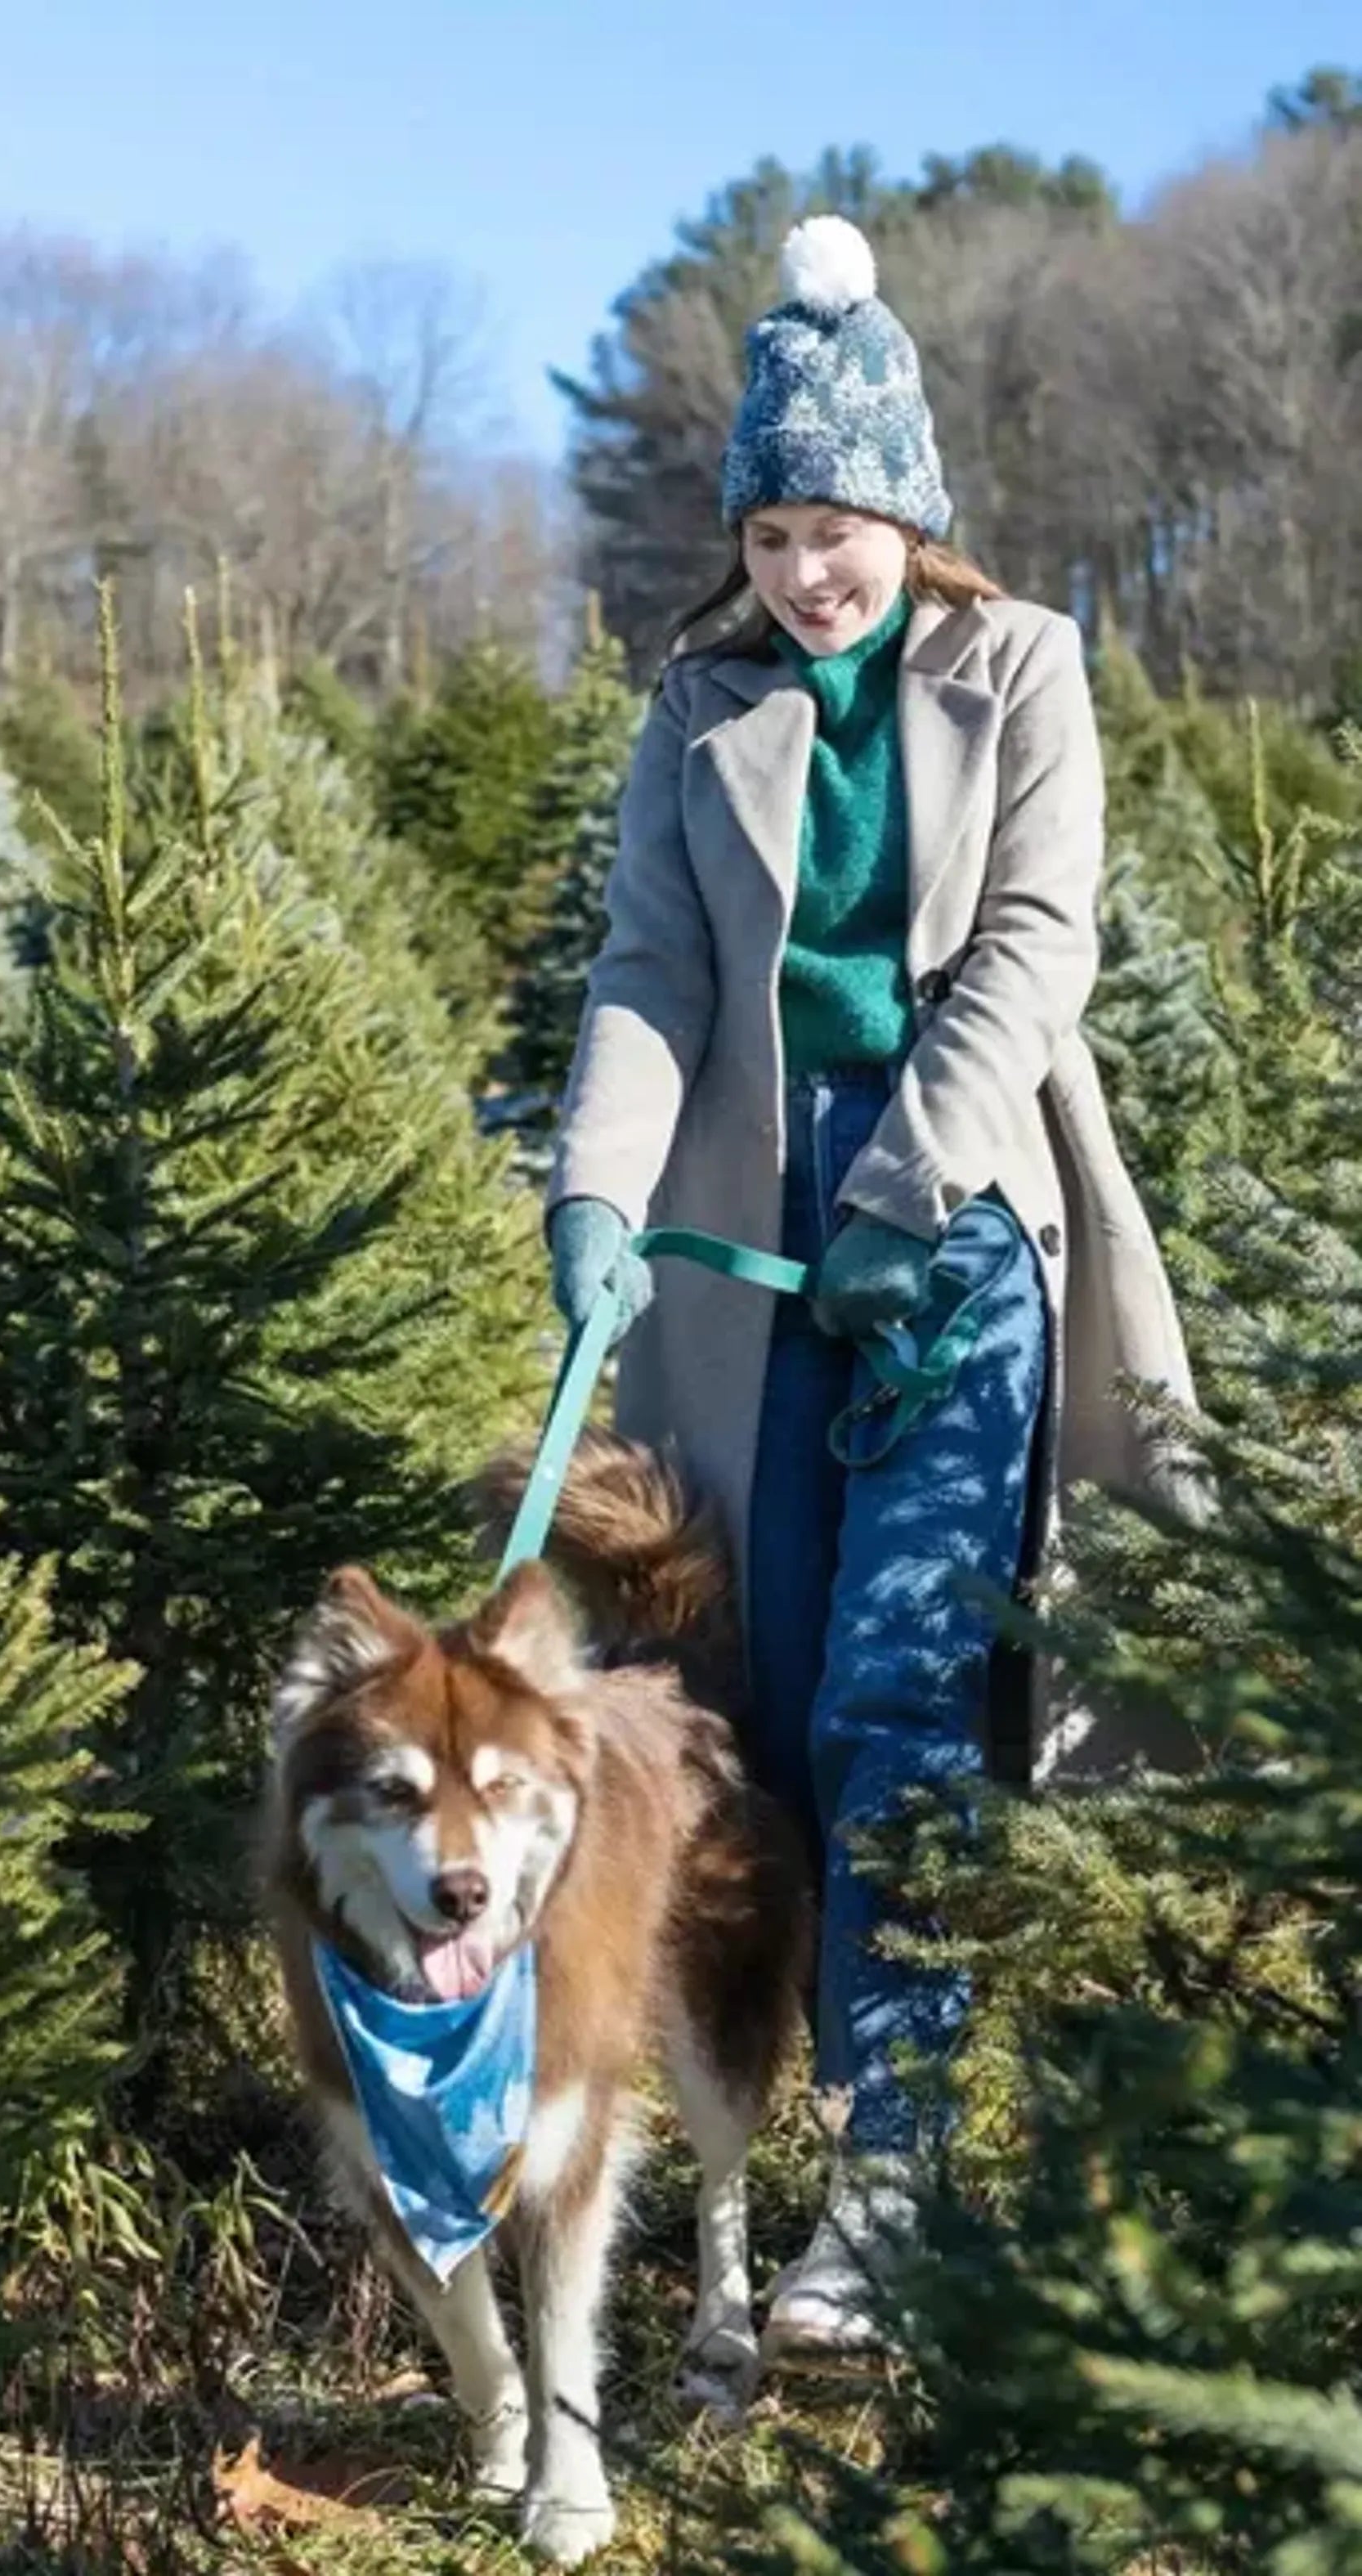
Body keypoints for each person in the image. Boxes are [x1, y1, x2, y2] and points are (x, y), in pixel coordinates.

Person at [544, 214, 1194, 2353]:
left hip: (955, 1228)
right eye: (776, 528)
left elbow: (1031, 944)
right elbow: (646, 977)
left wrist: (912, 1184)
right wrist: (591, 1193)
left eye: (839, 526)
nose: (810, 569)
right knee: (767, 1722)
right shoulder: (697, 714)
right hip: (742, 1263)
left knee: (895, 1703)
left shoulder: (1016, 676)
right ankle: (771, 2146)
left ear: (904, 515)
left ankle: (892, 2190)